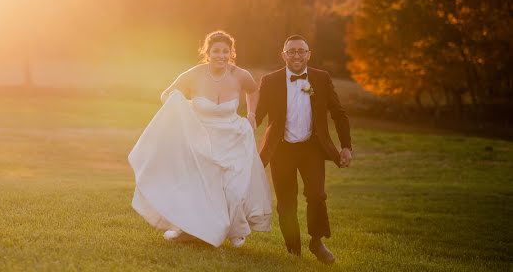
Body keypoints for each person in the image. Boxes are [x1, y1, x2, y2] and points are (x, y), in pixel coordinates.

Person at [128, 30, 272, 247]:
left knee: (233, 188)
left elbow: (253, 91)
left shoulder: (241, 75)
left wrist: (251, 113)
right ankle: (189, 229)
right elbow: (166, 94)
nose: (221, 55)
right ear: (207, 52)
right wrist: (182, 108)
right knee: (198, 187)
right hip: (200, 140)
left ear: (231, 53)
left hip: (233, 138)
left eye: (225, 51)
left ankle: (235, 229)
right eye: (216, 51)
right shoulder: (194, 74)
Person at [251, 34, 352, 265]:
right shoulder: (270, 80)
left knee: (317, 196)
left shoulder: (321, 78)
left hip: (311, 149)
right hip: (281, 150)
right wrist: (235, 131)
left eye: (301, 51)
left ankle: (316, 242)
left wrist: (346, 146)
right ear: (283, 55)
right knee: (286, 203)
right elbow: (257, 116)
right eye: (292, 51)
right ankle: (293, 251)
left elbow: (338, 113)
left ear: (308, 54)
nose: (296, 55)